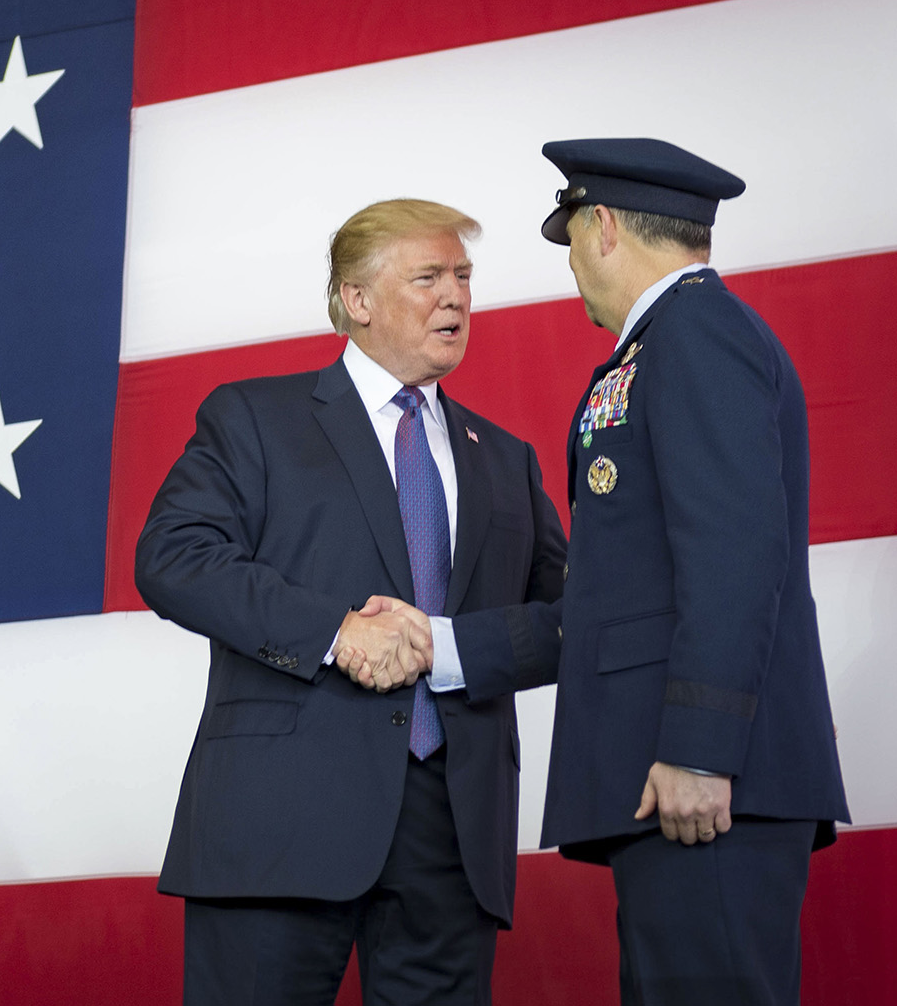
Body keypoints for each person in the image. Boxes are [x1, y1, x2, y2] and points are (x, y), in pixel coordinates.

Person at [392, 139, 848, 1005]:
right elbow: (618, 593)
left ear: (602, 226)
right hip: (681, 782)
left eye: (569, 242)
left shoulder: (699, 335)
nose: (571, 269)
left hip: (709, 783)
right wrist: (446, 648)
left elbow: (735, 555)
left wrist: (700, 749)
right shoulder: (673, 342)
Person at [135, 199, 567, 1005]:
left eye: (465, 277)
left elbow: (576, 623)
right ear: (356, 299)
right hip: (279, 826)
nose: (456, 298)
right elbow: (173, 558)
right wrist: (334, 632)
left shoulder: (507, 459)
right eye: (429, 277)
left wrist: (447, 646)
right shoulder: (253, 418)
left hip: (453, 839)